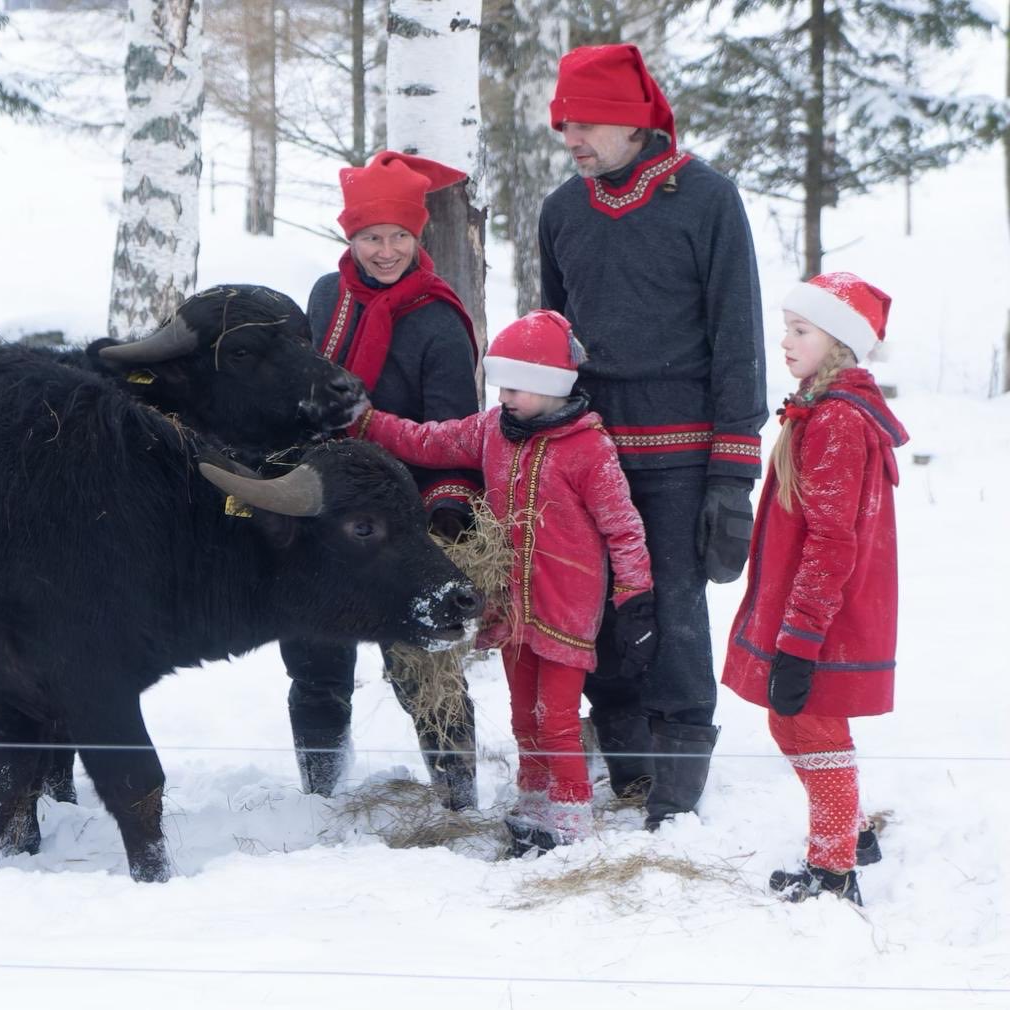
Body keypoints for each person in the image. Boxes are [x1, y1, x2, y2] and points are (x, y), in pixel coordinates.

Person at [539, 43, 768, 828]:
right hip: (587, 453)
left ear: (633, 122)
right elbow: (554, 340)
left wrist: (733, 475)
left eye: (584, 123)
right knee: (596, 606)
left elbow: (739, 338)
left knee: (672, 612)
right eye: (562, 124)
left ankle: (678, 770)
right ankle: (628, 757)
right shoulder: (561, 211)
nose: (570, 138)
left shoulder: (707, 199)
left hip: (681, 454)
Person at [349, 309, 657, 852]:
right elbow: (429, 440)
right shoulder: (493, 430)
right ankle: (533, 803)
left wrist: (635, 597)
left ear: (552, 386)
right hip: (512, 605)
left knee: (556, 718)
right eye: (502, 386)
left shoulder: (588, 448)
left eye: (517, 387)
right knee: (523, 716)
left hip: (565, 608)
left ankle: (572, 820)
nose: (504, 396)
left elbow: (623, 528)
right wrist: (369, 422)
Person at [286, 150, 483, 810]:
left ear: (418, 235)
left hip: (406, 518)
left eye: (400, 235)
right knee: (315, 661)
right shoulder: (327, 296)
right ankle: (321, 795)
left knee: (419, 666)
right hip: (326, 511)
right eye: (372, 236)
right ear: (350, 236)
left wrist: (446, 510)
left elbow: (454, 432)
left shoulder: (437, 321)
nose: (387, 250)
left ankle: (457, 797)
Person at [722, 272, 909, 905]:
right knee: (791, 723)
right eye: (787, 329)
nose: (785, 341)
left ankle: (834, 872)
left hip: (826, 614)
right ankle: (854, 834)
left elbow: (831, 542)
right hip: (811, 603)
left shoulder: (836, 421)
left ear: (838, 343)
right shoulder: (822, 409)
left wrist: (800, 638)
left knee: (813, 730)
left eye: (800, 330)